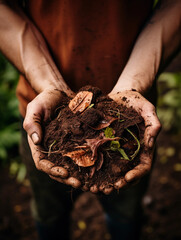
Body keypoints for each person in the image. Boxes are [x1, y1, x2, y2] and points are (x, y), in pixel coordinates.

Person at [0, 0, 180, 239]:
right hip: (43, 112)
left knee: (125, 214)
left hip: (134, 107)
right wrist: (48, 82)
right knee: (49, 213)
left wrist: (134, 82)